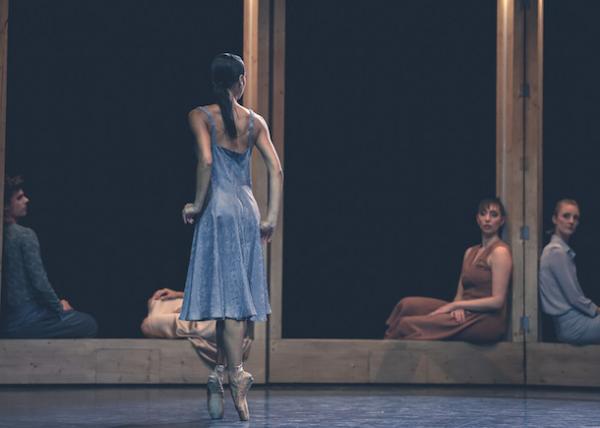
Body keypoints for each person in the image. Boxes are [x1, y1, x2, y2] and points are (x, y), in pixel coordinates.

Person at [180, 53, 282, 421]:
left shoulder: (200, 115)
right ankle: (221, 374)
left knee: (230, 301)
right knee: (231, 300)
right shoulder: (255, 121)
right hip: (246, 210)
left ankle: (233, 376)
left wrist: (195, 204)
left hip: (219, 211)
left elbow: (207, 161)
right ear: (240, 81)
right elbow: (276, 169)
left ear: (214, 82)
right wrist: (270, 217)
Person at [384, 197, 512, 342]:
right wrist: (457, 306)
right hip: (463, 311)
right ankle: (382, 348)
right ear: (478, 219)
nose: (487, 219)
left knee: (407, 325)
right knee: (406, 305)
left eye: (493, 215)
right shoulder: (470, 252)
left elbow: (497, 301)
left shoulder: (500, 252)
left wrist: (456, 305)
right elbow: (459, 294)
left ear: (501, 221)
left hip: (485, 320)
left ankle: (383, 354)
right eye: (483, 214)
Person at [0, 176, 98, 338]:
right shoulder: (24, 235)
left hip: (7, 321)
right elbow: (40, 283)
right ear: (5, 207)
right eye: (19, 198)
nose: (26, 200)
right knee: (88, 323)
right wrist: (59, 307)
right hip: (26, 320)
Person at [539, 199, 600, 345]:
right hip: (572, 326)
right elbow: (574, 297)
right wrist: (597, 310)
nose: (571, 221)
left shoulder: (561, 251)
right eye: (566, 216)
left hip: (576, 321)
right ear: (555, 219)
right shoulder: (556, 252)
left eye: (575, 217)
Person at [140, 287, 252, 365]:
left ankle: (183, 324)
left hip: (217, 321)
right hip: (206, 307)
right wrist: (179, 295)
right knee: (155, 303)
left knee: (147, 324)